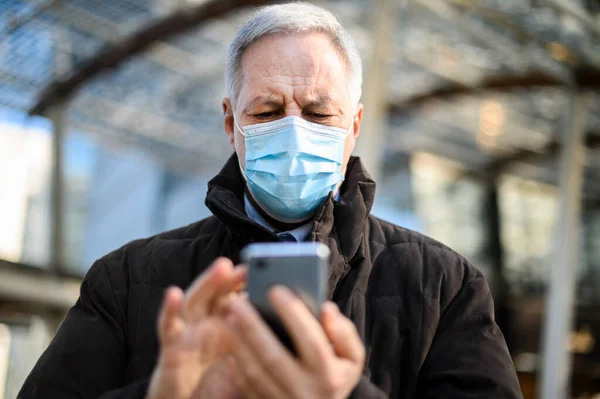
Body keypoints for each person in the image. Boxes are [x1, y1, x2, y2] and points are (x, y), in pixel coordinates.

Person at [19, 3, 523, 399]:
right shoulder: (125, 280)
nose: (294, 131)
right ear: (230, 123)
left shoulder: (445, 287)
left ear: (354, 126)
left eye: (318, 114)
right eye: (267, 111)